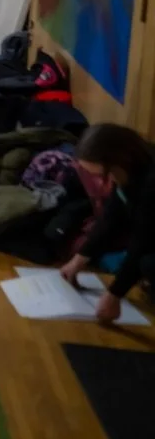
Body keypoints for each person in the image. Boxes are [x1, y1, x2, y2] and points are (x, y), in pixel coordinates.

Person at [59, 124, 155, 324]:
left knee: (147, 263)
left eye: (101, 175)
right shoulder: (126, 173)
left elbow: (144, 241)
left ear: (117, 160)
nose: (100, 183)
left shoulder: (150, 183)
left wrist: (114, 295)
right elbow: (111, 219)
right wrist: (79, 260)